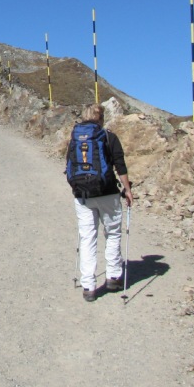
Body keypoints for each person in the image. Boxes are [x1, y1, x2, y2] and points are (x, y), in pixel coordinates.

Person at [65, 103, 134, 302]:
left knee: (87, 238)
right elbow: (120, 165)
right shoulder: (109, 137)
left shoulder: (74, 138)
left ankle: (88, 286)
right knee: (112, 233)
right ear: (101, 118)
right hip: (108, 193)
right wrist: (127, 189)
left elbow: (69, 165)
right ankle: (113, 276)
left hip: (82, 195)